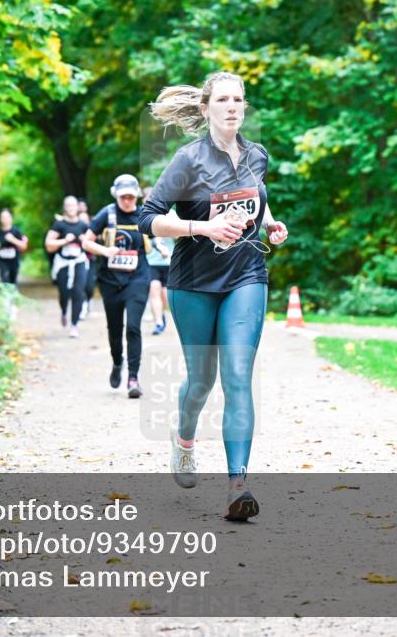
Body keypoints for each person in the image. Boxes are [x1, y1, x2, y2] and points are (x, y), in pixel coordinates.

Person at [138, 71, 289, 521]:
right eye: (222, 99)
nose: (231, 107)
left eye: (238, 100)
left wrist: (269, 225)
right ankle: (184, 441)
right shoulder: (188, 160)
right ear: (205, 110)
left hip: (247, 273)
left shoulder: (257, 156)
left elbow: (255, 201)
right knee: (201, 379)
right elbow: (149, 217)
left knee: (238, 374)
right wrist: (201, 226)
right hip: (194, 283)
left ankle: (238, 485)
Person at [82, 174, 152, 399]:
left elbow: (158, 233)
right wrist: (105, 251)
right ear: (116, 196)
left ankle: (133, 377)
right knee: (114, 329)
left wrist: (160, 245)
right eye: (123, 197)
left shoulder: (143, 214)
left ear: (137, 196)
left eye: (131, 197)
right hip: (110, 280)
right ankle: (117, 362)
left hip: (138, 277)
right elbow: (86, 241)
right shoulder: (107, 213)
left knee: (133, 326)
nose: (127, 201)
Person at [45, 196, 89, 338]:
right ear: (64, 207)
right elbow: (48, 245)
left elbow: (93, 243)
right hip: (63, 263)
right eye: (68, 205)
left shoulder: (83, 225)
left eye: (73, 205)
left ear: (77, 207)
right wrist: (64, 241)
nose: (71, 208)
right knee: (64, 293)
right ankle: (64, 311)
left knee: (78, 292)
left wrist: (85, 241)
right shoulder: (59, 225)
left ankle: (74, 325)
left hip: (79, 261)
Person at [145, 196, 175, 335]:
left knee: (165, 295)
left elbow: (178, 236)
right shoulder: (144, 215)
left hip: (169, 261)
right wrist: (158, 244)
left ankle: (162, 315)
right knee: (154, 289)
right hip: (151, 261)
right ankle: (158, 322)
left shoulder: (172, 214)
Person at [0, 208, 28, 287]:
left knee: (13, 279)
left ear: (11, 218)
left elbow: (24, 246)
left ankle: (13, 296)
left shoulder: (16, 231)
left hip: (14, 260)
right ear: (0, 219)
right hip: (2, 260)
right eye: (3, 217)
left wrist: (13, 240)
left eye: (6, 217)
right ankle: (6, 297)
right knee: (4, 277)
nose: (5, 219)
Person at [78, 199, 98, 321]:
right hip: (77, 261)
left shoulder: (93, 230)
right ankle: (82, 307)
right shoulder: (73, 229)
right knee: (80, 285)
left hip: (91, 260)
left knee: (90, 285)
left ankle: (89, 301)